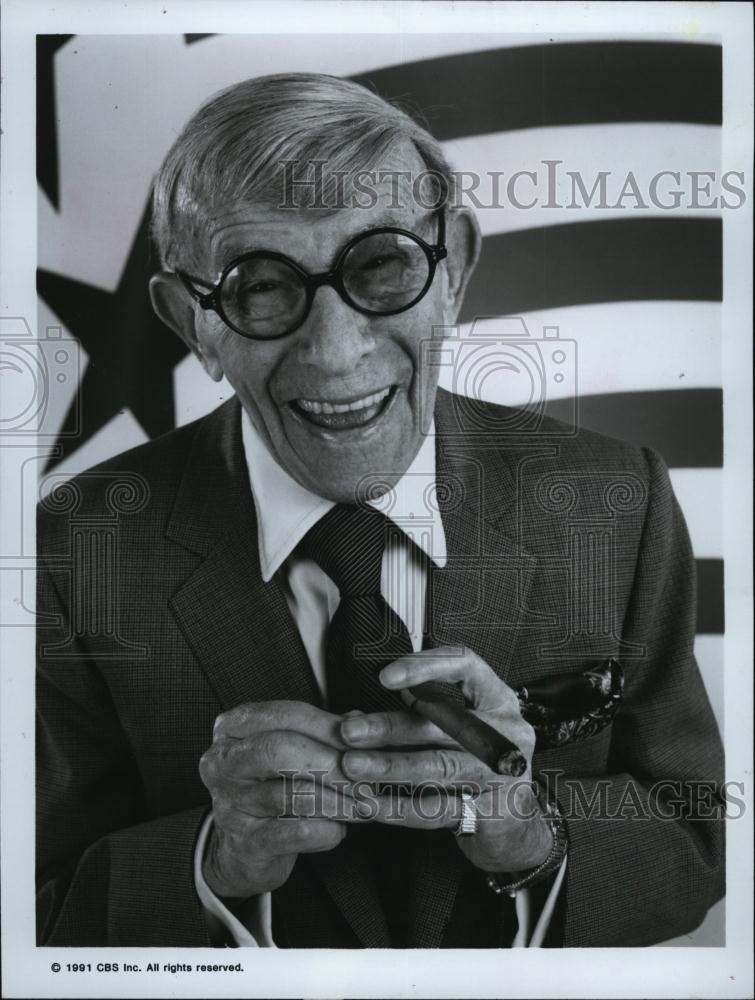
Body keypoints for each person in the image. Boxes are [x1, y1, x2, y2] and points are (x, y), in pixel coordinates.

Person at [36, 73, 724, 948]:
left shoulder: (613, 499)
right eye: (261, 288)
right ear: (192, 323)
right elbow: (32, 912)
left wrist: (528, 829)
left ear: (455, 270)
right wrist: (214, 862)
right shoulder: (72, 549)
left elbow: (698, 837)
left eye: (381, 264)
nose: (336, 353)